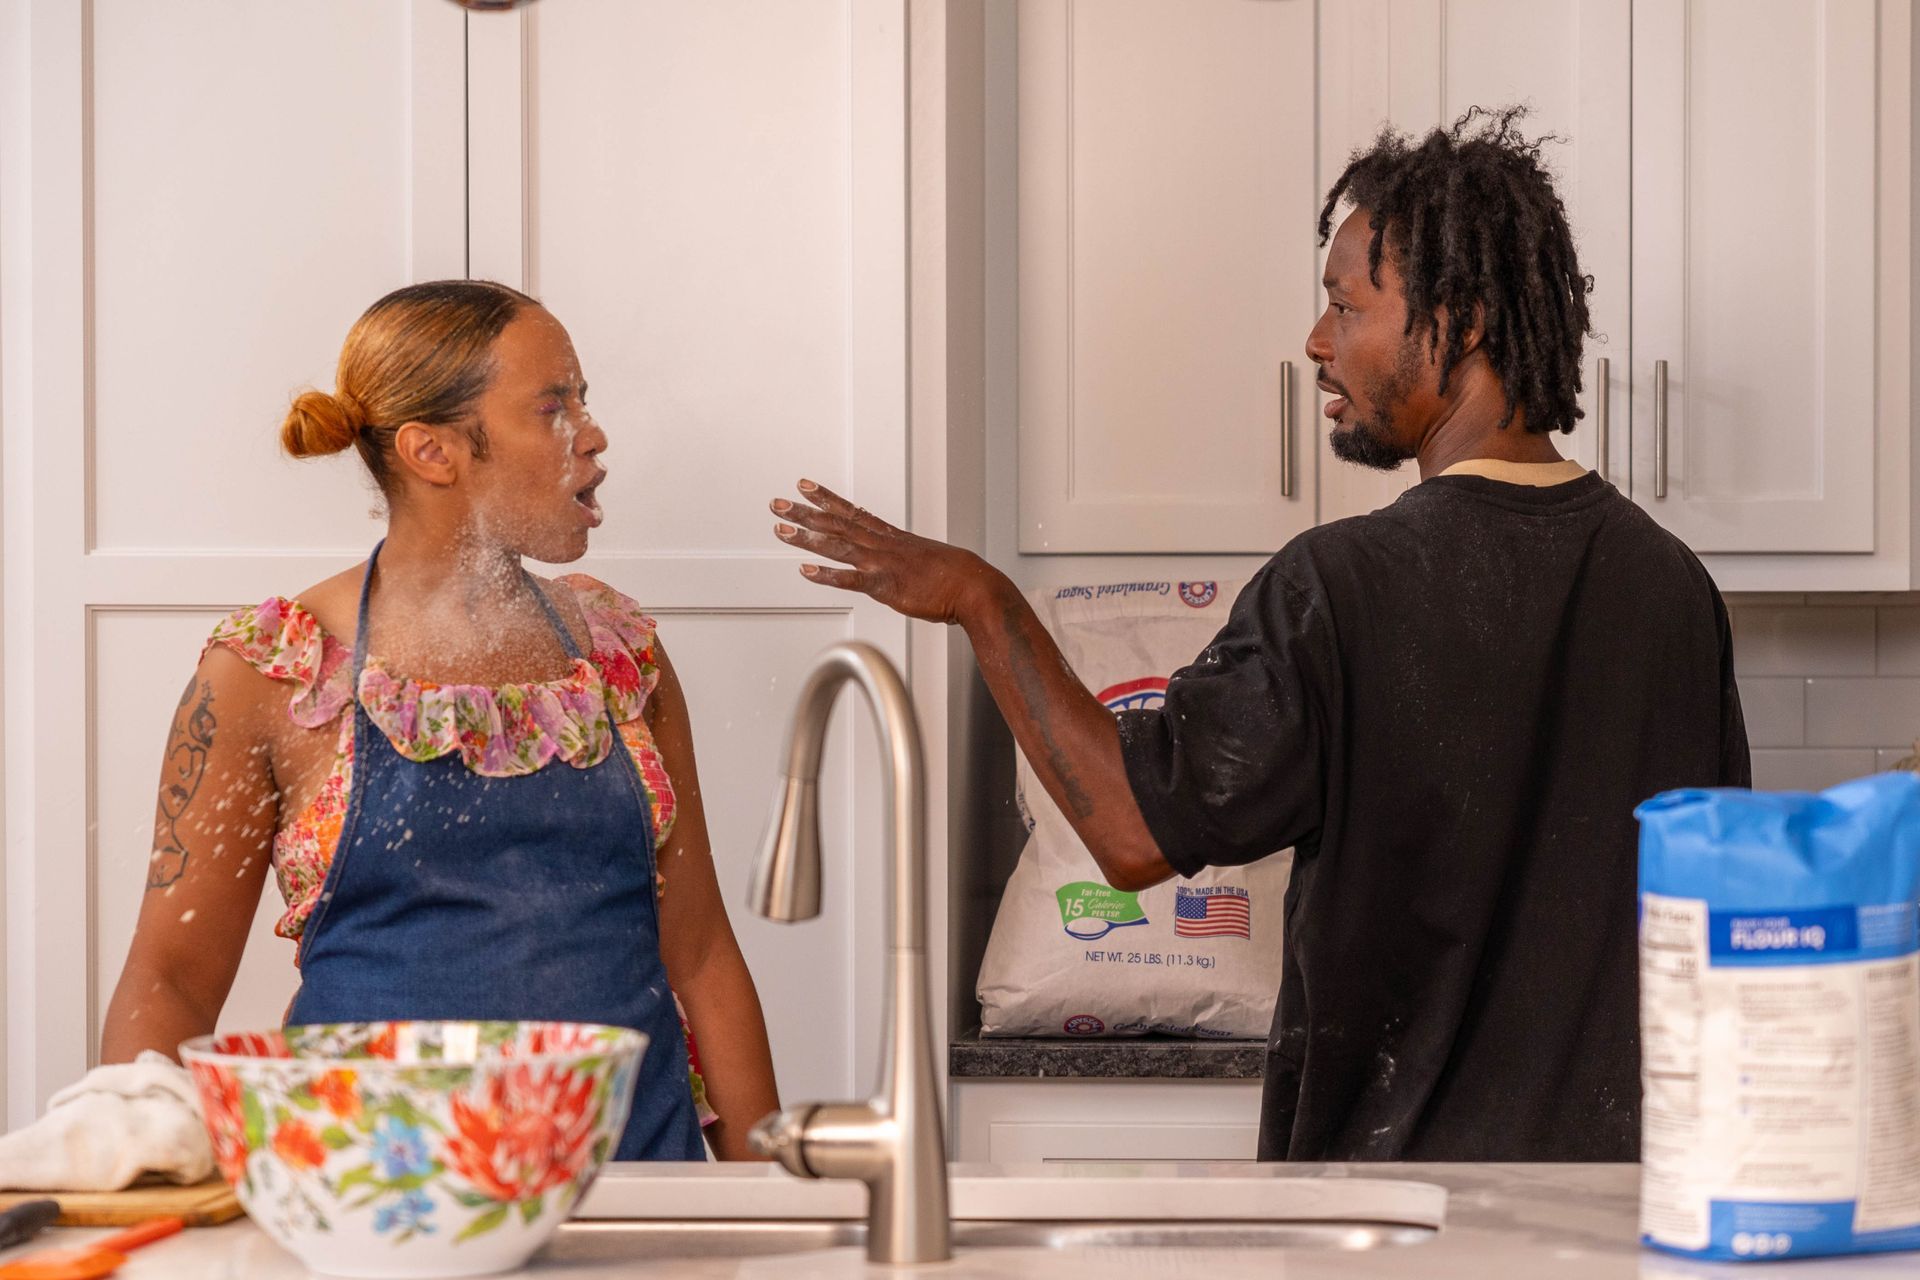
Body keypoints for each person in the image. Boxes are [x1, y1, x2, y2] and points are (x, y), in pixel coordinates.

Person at [767, 107, 1749, 1161]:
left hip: (1392, 1212)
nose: (1319, 341)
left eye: (1346, 305)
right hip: (1624, 1208)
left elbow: (1131, 832)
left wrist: (980, 599)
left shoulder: (1340, 586)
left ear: (1460, 320)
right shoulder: (1675, 587)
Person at [100, 280, 779, 1161]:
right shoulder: (276, 674)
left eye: (583, 399)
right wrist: (141, 1178)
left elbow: (702, 958)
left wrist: (772, 1205)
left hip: (632, 1182)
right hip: (370, 1191)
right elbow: (172, 981)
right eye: (553, 407)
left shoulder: (621, 657)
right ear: (432, 451)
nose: (592, 433)